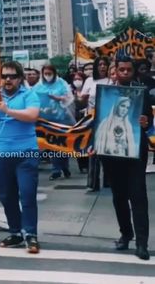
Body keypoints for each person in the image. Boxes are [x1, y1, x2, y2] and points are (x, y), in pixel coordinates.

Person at [0, 61, 41, 254]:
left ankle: (31, 234)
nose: (8, 79)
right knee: (6, 196)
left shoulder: (29, 95)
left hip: (25, 153)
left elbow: (32, 115)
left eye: (12, 76)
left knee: (27, 195)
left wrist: (7, 110)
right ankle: (15, 232)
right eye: (4, 76)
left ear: (20, 78)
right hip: (2, 154)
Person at [102, 56, 153, 260]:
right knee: (119, 197)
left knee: (138, 197)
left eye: (128, 70)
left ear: (134, 71)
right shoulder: (105, 94)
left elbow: (149, 123)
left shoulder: (142, 93)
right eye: (121, 69)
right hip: (111, 154)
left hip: (135, 153)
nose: (124, 73)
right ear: (115, 70)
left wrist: (145, 123)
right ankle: (126, 234)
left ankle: (142, 243)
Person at [33, 64, 75, 180]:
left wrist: (59, 98)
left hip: (61, 118)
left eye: (49, 74)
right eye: (45, 74)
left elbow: (69, 98)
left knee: (62, 144)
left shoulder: (62, 83)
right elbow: (33, 98)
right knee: (52, 145)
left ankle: (64, 167)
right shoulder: (39, 85)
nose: (47, 76)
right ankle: (56, 170)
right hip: (46, 120)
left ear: (54, 73)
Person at [81, 56, 111, 191]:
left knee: (108, 151)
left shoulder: (112, 80)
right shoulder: (89, 80)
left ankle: (109, 181)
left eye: (105, 64)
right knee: (93, 151)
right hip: (92, 119)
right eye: (100, 64)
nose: (102, 67)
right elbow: (82, 99)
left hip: (108, 119)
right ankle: (93, 182)